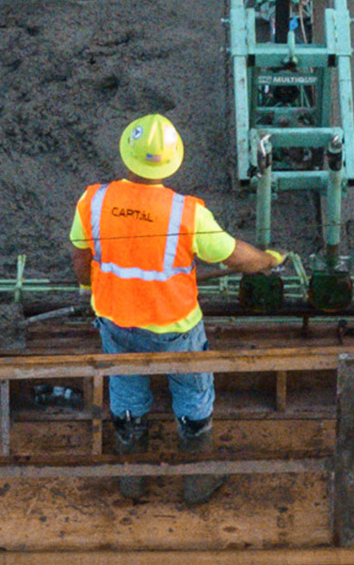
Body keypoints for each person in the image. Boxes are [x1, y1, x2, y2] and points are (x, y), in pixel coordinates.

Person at [72, 114, 288, 504]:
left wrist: (91, 286)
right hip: (176, 327)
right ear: (173, 162)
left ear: (126, 154)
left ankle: (132, 480)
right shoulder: (186, 213)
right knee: (191, 395)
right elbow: (235, 256)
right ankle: (196, 483)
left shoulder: (94, 200)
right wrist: (269, 259)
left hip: (115, 319)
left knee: (125, 390)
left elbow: (80, 258)